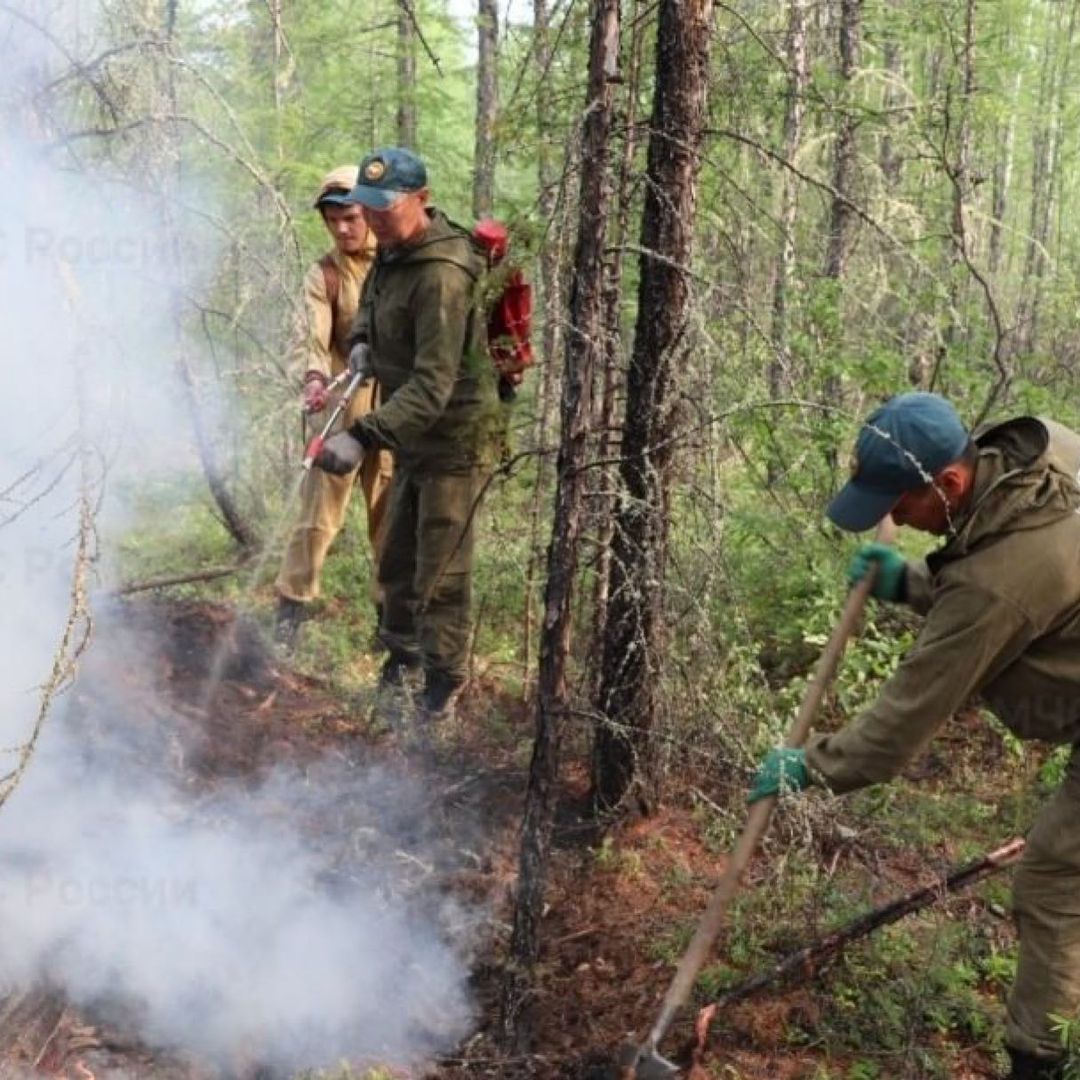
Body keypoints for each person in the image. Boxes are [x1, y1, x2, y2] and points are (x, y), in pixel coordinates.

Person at [750, 391, 1080, 1080]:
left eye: (901, 505)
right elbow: (1013, 571)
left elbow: (893, 736)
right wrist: (916, 581)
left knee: (1051, 880)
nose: (894, 519)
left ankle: (1037, 1064)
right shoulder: (1046, 454)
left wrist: (808, 766)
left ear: (951, 482)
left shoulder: (994, 588)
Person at [315, 147, 498, 722]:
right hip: (411, 435)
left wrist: (363, 436)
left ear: (420, 200)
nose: (371, 220)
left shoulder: (443, 275)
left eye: (384, 209)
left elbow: (433, 385)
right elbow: (372, 299)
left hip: (453, 439)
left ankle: (441, 691)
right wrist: (364, 339)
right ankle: (400, 664)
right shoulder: (394, 251)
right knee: (395, 556)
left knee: (440, 569)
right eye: (366, 208)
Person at [274, 166, 392, 649]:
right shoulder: (324, 274)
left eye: (350, 217)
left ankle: (391, 626)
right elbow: (312, 336)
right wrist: (315, 379)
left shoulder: (397, 261)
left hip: (396, 403)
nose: (342, 228)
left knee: (390, 514)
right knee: (317, 516)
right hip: (343, 402)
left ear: (369, 212)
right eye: (332, 220)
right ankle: (290, 613)